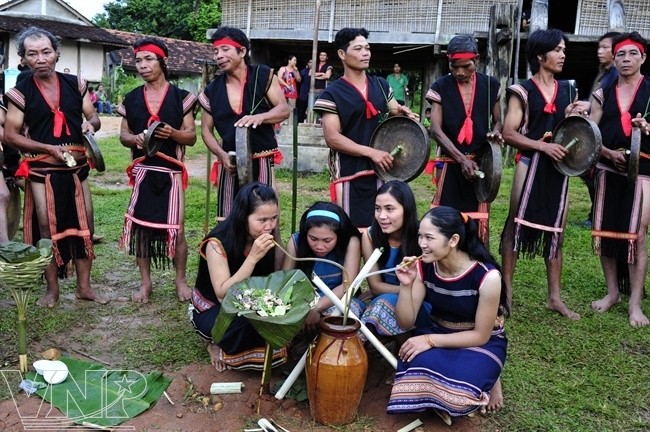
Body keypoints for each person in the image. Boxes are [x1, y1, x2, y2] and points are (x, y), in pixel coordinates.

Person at [3, 26, 108, 307]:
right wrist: (48, 148)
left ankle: (84, 287)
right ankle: (53, 290)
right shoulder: (19, 92)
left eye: (46, 52)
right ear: (23, 59)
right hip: (42, 172)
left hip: (77, 169)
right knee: (46, 227)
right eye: (32, 54)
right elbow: (10, 135)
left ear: (56, 53)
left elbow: (93, 117)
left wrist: (91, 124)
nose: (40, 58)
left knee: (85, 223)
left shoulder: (76, 84)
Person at [387, 206, 508, 419]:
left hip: (479, 342)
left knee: (461, 394)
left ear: (453, 240)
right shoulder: (425, 268)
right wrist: (406, 285)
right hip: (440, 332)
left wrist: (429, 340)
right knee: (415, 369)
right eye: (420, 237)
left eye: (429, 238)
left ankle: (492, 377)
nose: (421, 244)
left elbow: (480, 335)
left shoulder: (487, 277)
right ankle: (480, 377)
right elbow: (405, 322)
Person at [499, 28, 587, 319]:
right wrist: (541, 146)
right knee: (514, 225)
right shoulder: (521, 91)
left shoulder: (569, 91)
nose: (563, 55)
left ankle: (555, 298)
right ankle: (507, 294)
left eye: (564, 50)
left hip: (557, 169)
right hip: (529, 164)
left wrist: (578, 115)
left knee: (556, 231)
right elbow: (509, 132)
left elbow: (575, 130)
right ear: (540, 56)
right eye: (558, 50)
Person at [117, 37, 197, 303]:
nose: (142, 65)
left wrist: (173, 132)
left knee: (177, 228)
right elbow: (123, 136)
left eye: (148, 59)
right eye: (138, 60)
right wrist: (136, 139)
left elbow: (191, 136)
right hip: (143, 170)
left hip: (171, 172)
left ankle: (180, 282)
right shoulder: (131, 99)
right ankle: (145, 284)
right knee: (141, 228)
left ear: (162, 61)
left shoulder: (181, 98)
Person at [314, 27, 414, 228]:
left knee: (381, 230)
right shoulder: (332, 94)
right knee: (352, 231)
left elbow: (393, 109)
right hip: (350, 172)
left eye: (367, 48)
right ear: (342, 54)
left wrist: (404, 111)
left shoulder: (380, 84)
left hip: (383, 169)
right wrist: (371, 153)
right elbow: (332, 138)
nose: (365, 53)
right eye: (358, 49)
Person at [189, 182, 287, 371]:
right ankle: (216, 343)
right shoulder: (217, 242)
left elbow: (276, 274)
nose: (269, 226)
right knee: (245, 325)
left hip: (250, 299)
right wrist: (252, 258)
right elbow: (222, 294)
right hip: (216, 307)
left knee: (279, 318)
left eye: (274, 218)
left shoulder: (267, 234)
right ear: (244, 216)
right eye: (262, 220)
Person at [589, 31, 650, 328]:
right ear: (614, 59)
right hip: (607, 166)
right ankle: (612, 292)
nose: (626, 60)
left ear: (643, 58)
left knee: (637, 232)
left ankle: (635, 303)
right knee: (605, 229)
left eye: (632, 54)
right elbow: (589, 133)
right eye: (621, 55)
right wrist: (607, 152)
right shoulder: (603, 91)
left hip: (645, 170)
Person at [199, 26, 290, 219]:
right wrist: (221, 154)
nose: (218, 56)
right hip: (229, 162)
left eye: (225, 49)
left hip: (261, 158)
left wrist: (260, 117)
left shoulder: (262, 75)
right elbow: (206, 131)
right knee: (228, 217)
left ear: (242, 51)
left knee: (265, 218)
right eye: (215, 51)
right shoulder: (211, 90)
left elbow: (283, 109)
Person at [426, 34, 503, 246]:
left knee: (477, 221)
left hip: (481, 163)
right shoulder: (441, 86)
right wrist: (461, 160)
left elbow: (498, 121)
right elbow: (436, 130)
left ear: (476, 60)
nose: (459, 72)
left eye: (466, 66)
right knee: (446, 219)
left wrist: (495, 133)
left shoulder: (490, 86)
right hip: (451, 162)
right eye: (454, 66)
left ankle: (475, 264)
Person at [360, 181, 430, 341]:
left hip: (417, 304)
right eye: (378, 209)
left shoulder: (423, 238)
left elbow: (425, 290)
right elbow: (375, 286)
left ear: (407, 209)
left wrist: (410, 291)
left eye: (390, 209)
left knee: (382, 305)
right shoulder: (370, 236)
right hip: (385, 298)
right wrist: (405, 289)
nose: (382, 216)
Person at [282, 201, 364, 333]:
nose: (319, 246)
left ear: (339, 235)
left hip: (337, 300)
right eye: (313, 239)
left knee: (348, 315)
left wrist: (317, 306)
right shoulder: (296, 242)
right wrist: (305, 307)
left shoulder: (350, 242)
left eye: (327, 241)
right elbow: (285, 283)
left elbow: (347, 285)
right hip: (301, 301)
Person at [581, 31, 621, 229]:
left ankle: (597, 214)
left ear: (615, 51)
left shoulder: (615, 75)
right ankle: (595, 213)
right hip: (595, 127)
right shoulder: (604, 72)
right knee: (590, 174)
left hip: (605, 131)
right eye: (599, 47)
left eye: (605, 47)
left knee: (594, 174)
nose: (600, 51)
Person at [277, 55, 301, 125]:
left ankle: (291, 124)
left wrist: (296, 71)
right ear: (289, 61)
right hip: (283, 90)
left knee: (292, 108)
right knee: (282, 107)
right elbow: (279, 79)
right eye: (294, 60)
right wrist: (286, 85)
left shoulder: (295, 70)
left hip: (292, 91)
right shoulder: (283, 68)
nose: (295, 62)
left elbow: (299, 80)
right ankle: (282, 123)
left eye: (296, 60)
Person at [296, 59, 312, 124]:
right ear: (307, 63)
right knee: (301, 110)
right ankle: (299, 124)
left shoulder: (317, 71)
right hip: (303, 93)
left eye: (313, 62)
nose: (311, 64)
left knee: (312, 111)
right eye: (310, 62)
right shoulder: (303, 71)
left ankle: (310, 124)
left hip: (314, 93)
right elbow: (299, 81)